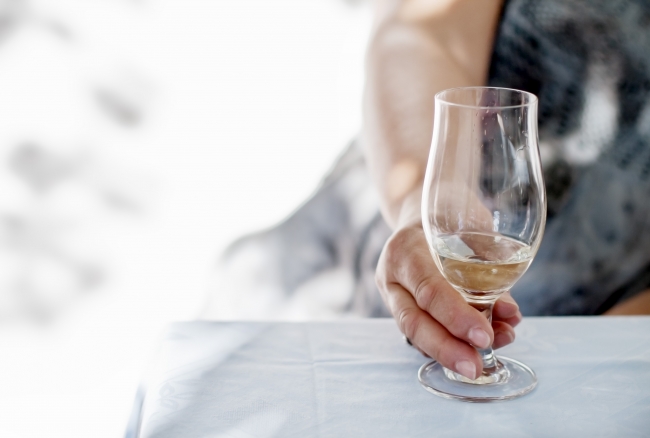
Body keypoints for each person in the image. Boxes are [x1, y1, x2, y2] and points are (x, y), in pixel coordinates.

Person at [204, 0, 650, 381]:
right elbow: (422, 31)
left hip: (595, 339)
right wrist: (429, 204)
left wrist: (604, 355)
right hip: (382, 241)